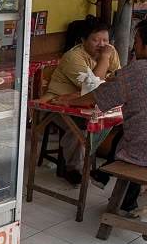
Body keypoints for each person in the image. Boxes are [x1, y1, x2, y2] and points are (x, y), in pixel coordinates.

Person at [50, 19, 147, 213]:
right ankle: (120, 193)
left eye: (137, 43)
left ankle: (115, 189)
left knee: (133, 140)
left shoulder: (136, 70)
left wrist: (69, 100)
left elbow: (97, 97)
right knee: (130, 135)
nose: (134, 48)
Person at [42, 21, 121, 186]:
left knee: (120, 119)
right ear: (82, 40)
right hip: (57, 104)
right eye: (95, 40)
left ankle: (103, 163)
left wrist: (106, 62)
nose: (102, 45)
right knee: (82, 127)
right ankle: (74, 168)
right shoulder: (73, 57)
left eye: (105, 40)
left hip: (87, 102)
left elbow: (118, 78)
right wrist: (105, 59)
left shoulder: (110, 51)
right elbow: (93, 87)